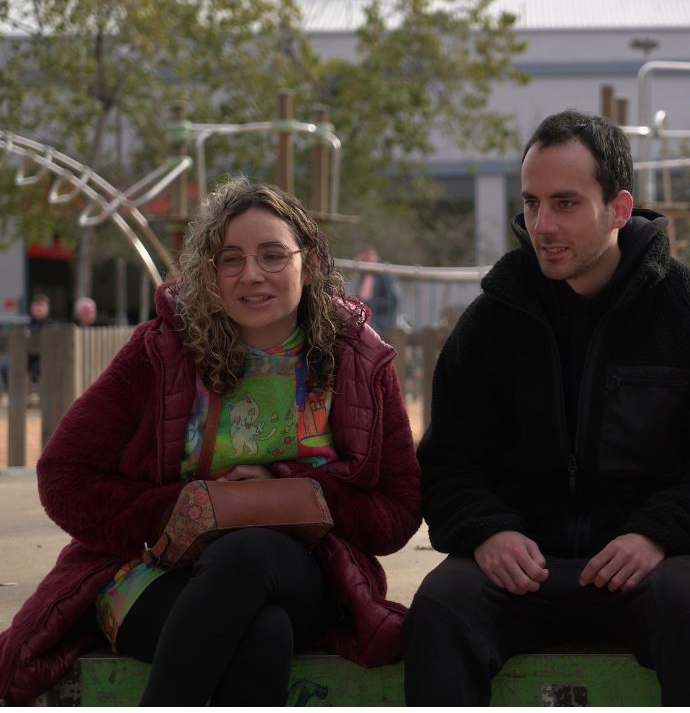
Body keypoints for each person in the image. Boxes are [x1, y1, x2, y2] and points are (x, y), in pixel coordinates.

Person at [0, 179, 422, 705]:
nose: (251, 275)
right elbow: (64, 475)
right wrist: (185, 507)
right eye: (230, 259)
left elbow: (400, 507)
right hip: (155, 572)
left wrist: (286, 492)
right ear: (208, 271)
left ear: (308, 263)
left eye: (272, 255)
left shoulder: (357, 359)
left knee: (252, 549)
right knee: (263, 635)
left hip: (308, 574)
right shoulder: (162, 351)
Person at [401, 110, 690, 706]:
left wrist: (656, 533)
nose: (541, 224)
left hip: (646, 565)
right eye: (531, 202)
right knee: (439, 612)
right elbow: (447, 463)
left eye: (565, 203)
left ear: (619, 209)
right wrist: (488, 530)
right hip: (515, 567)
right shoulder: (492, 321)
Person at [1, 293, 52, 390]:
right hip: (25, 358)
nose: (38, 309)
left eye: (41, 306)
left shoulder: (53, 327)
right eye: (36, 306)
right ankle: (14, 392)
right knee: (5, 366)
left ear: (47, 309)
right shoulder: (24, 327)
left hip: (44, 359)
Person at [347, 245, 402, 335]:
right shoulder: (363, 274)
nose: (361, 266)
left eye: (363, 261)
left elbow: (392, 300)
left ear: (370, 257)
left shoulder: (385, 274)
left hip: (380, 326)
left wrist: (369, 303)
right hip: (365, 323)